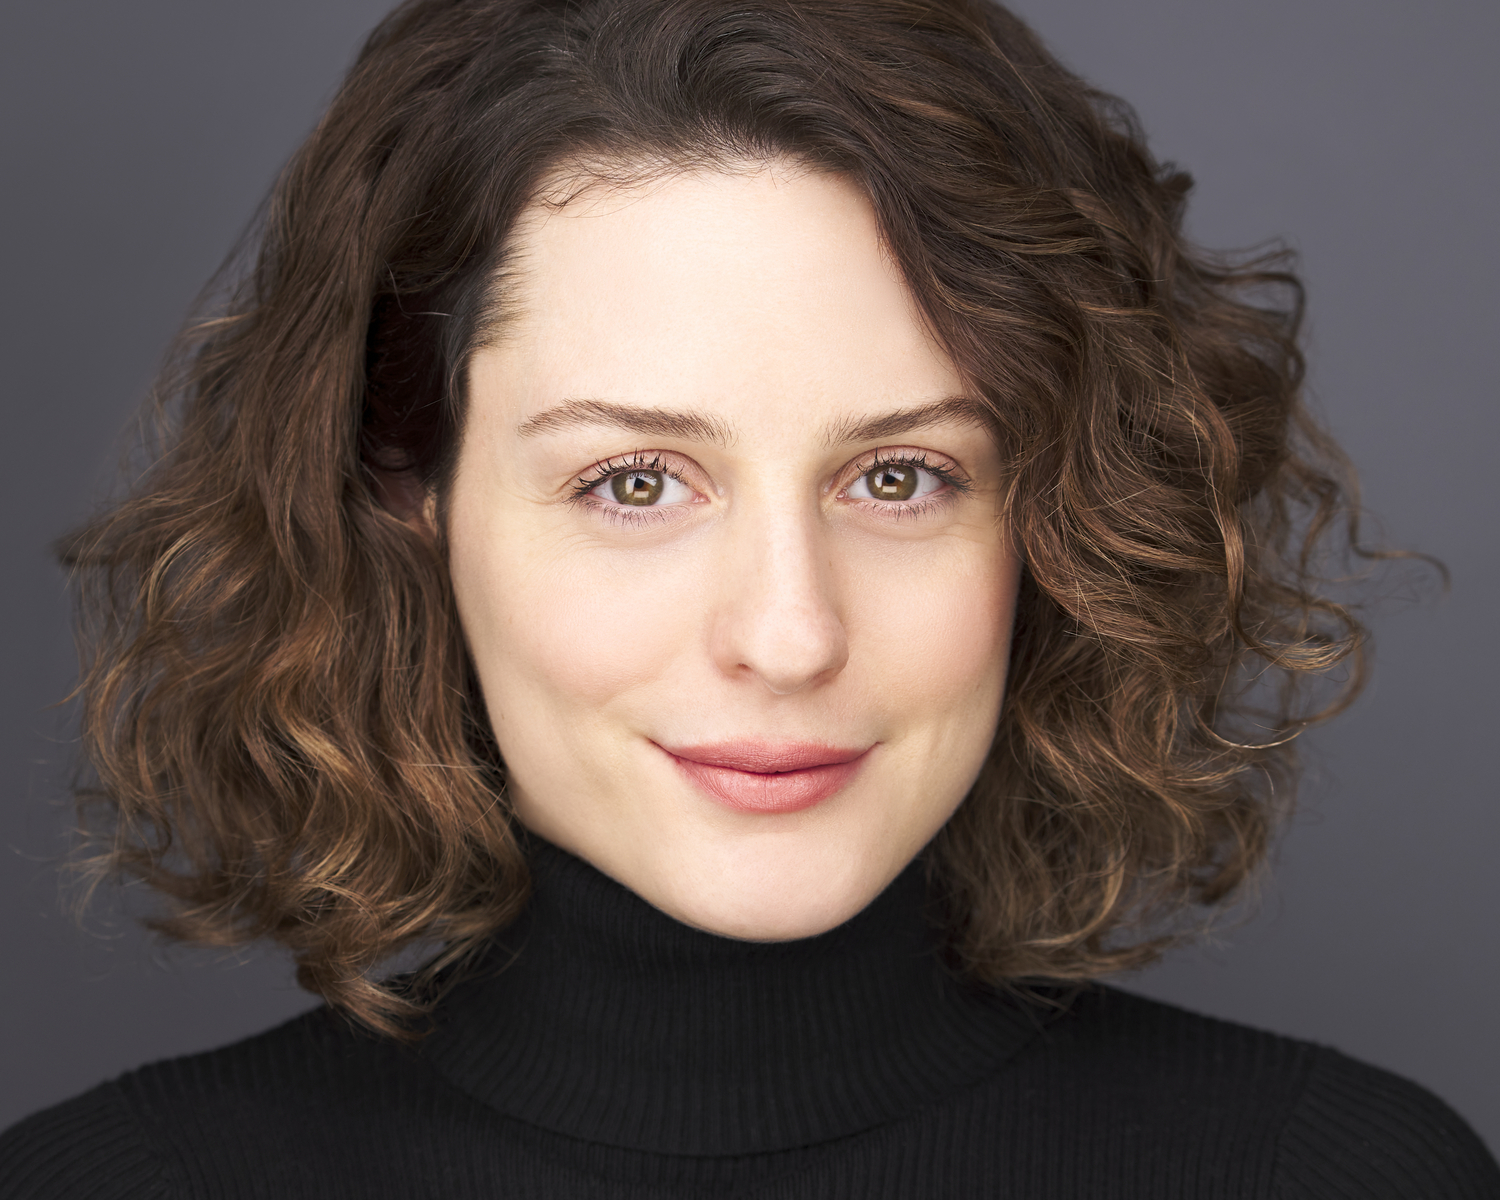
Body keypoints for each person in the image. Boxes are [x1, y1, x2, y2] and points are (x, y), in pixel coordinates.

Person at [2, 0, 1496, 1195]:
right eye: (635, 483)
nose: (789, 636)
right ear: (411, 489)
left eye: (900, 477)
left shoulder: (1338, 1177)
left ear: (1059, 515)